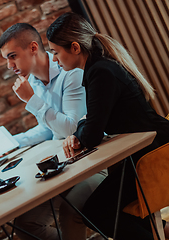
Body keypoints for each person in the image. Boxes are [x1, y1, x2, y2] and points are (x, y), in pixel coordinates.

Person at [47, 12, 169, 240]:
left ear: (74, 48)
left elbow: (92, 134)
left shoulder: (100, 73)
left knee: (95, 213)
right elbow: (92, 121)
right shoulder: (99, 68)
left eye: (55, 52)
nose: (54, 59)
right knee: (107, 210)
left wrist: (81, 129)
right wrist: (83, 127)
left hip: (152, 154)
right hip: (147, 150)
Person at [0, 23, 107, 240]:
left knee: (70, 212)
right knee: (25, 225)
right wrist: (12, 143)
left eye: (12, 56)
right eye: (6, 59)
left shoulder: (70, 71)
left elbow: (72, 128)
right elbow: (48, 130)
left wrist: (31, 100)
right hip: (65, 164)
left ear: (32, 47)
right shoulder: (34, 83)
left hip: (91, 159)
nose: (10, 65)